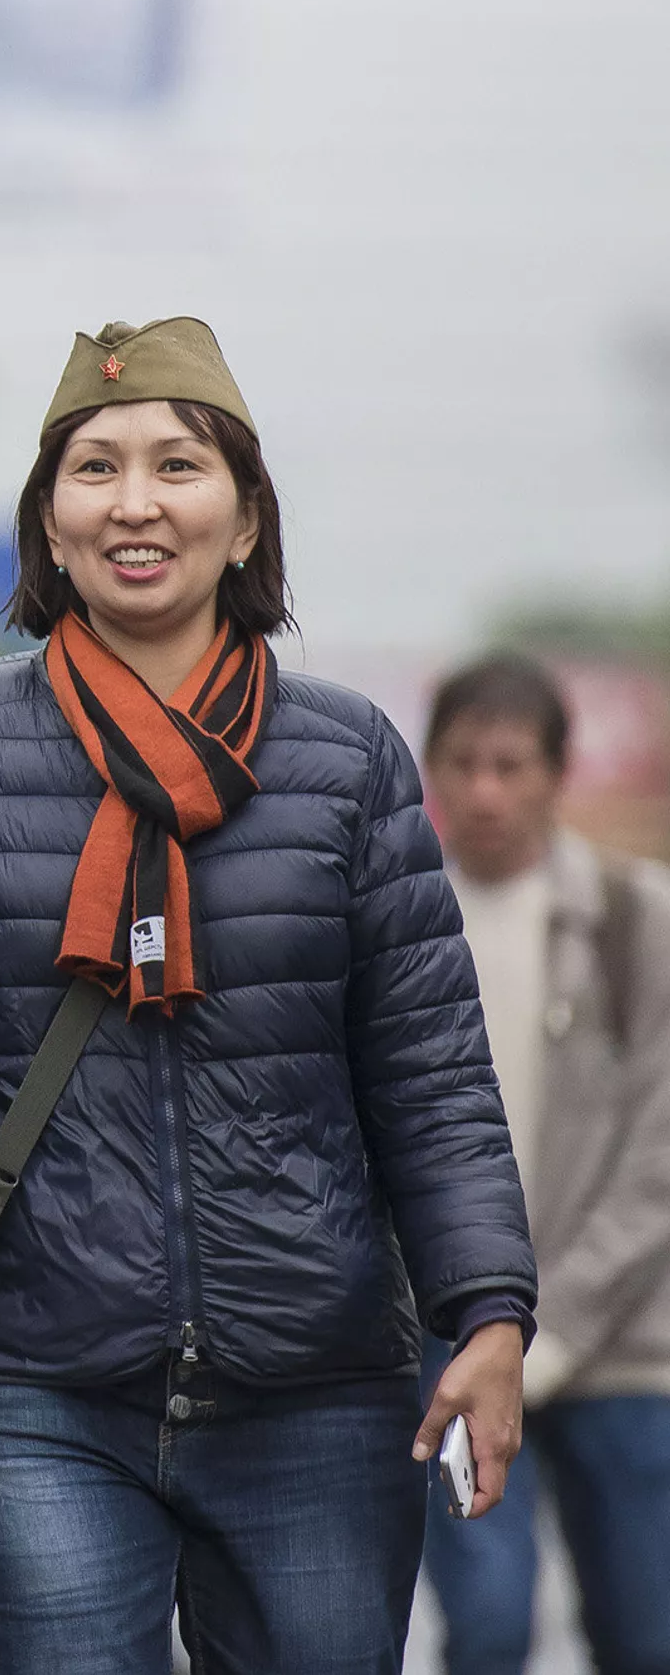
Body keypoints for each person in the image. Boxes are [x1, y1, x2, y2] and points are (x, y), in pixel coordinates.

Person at [0, 318, 538, 1675]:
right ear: (49, 525)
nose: (136, 502)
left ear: (246, 517)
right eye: (95, 468)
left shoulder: (346, 759)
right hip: (31, 1382)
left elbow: (431, 1072)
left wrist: (491, 1310)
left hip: (318, 1389)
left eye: (178, 465)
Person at [420, 655, 670, 1675]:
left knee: (645, 1636)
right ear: (431, 769)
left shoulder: (635, 920)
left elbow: (658, 1160)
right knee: (485, 1630)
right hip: (452, 1347)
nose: (485, 791)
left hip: (623, 1351)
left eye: (510, 764)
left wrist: (550, 1328)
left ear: (557, 774)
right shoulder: (397, 924)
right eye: (464, 763)